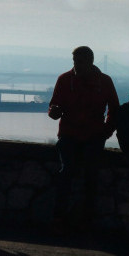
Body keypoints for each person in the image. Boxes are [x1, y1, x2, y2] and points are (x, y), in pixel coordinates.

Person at [48, 46, 119, 227]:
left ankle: (86, 218)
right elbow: (53, 106)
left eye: (80, 62)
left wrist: (105, 131)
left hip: (93, 135)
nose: (76, 66)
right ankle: (60, 216)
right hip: (70, 134)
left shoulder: (104, 82)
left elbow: (115, 110)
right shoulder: (64, 80)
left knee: (90, 173)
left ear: (90, 62)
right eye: (74, 62)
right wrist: (54, 112)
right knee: (67, 170)